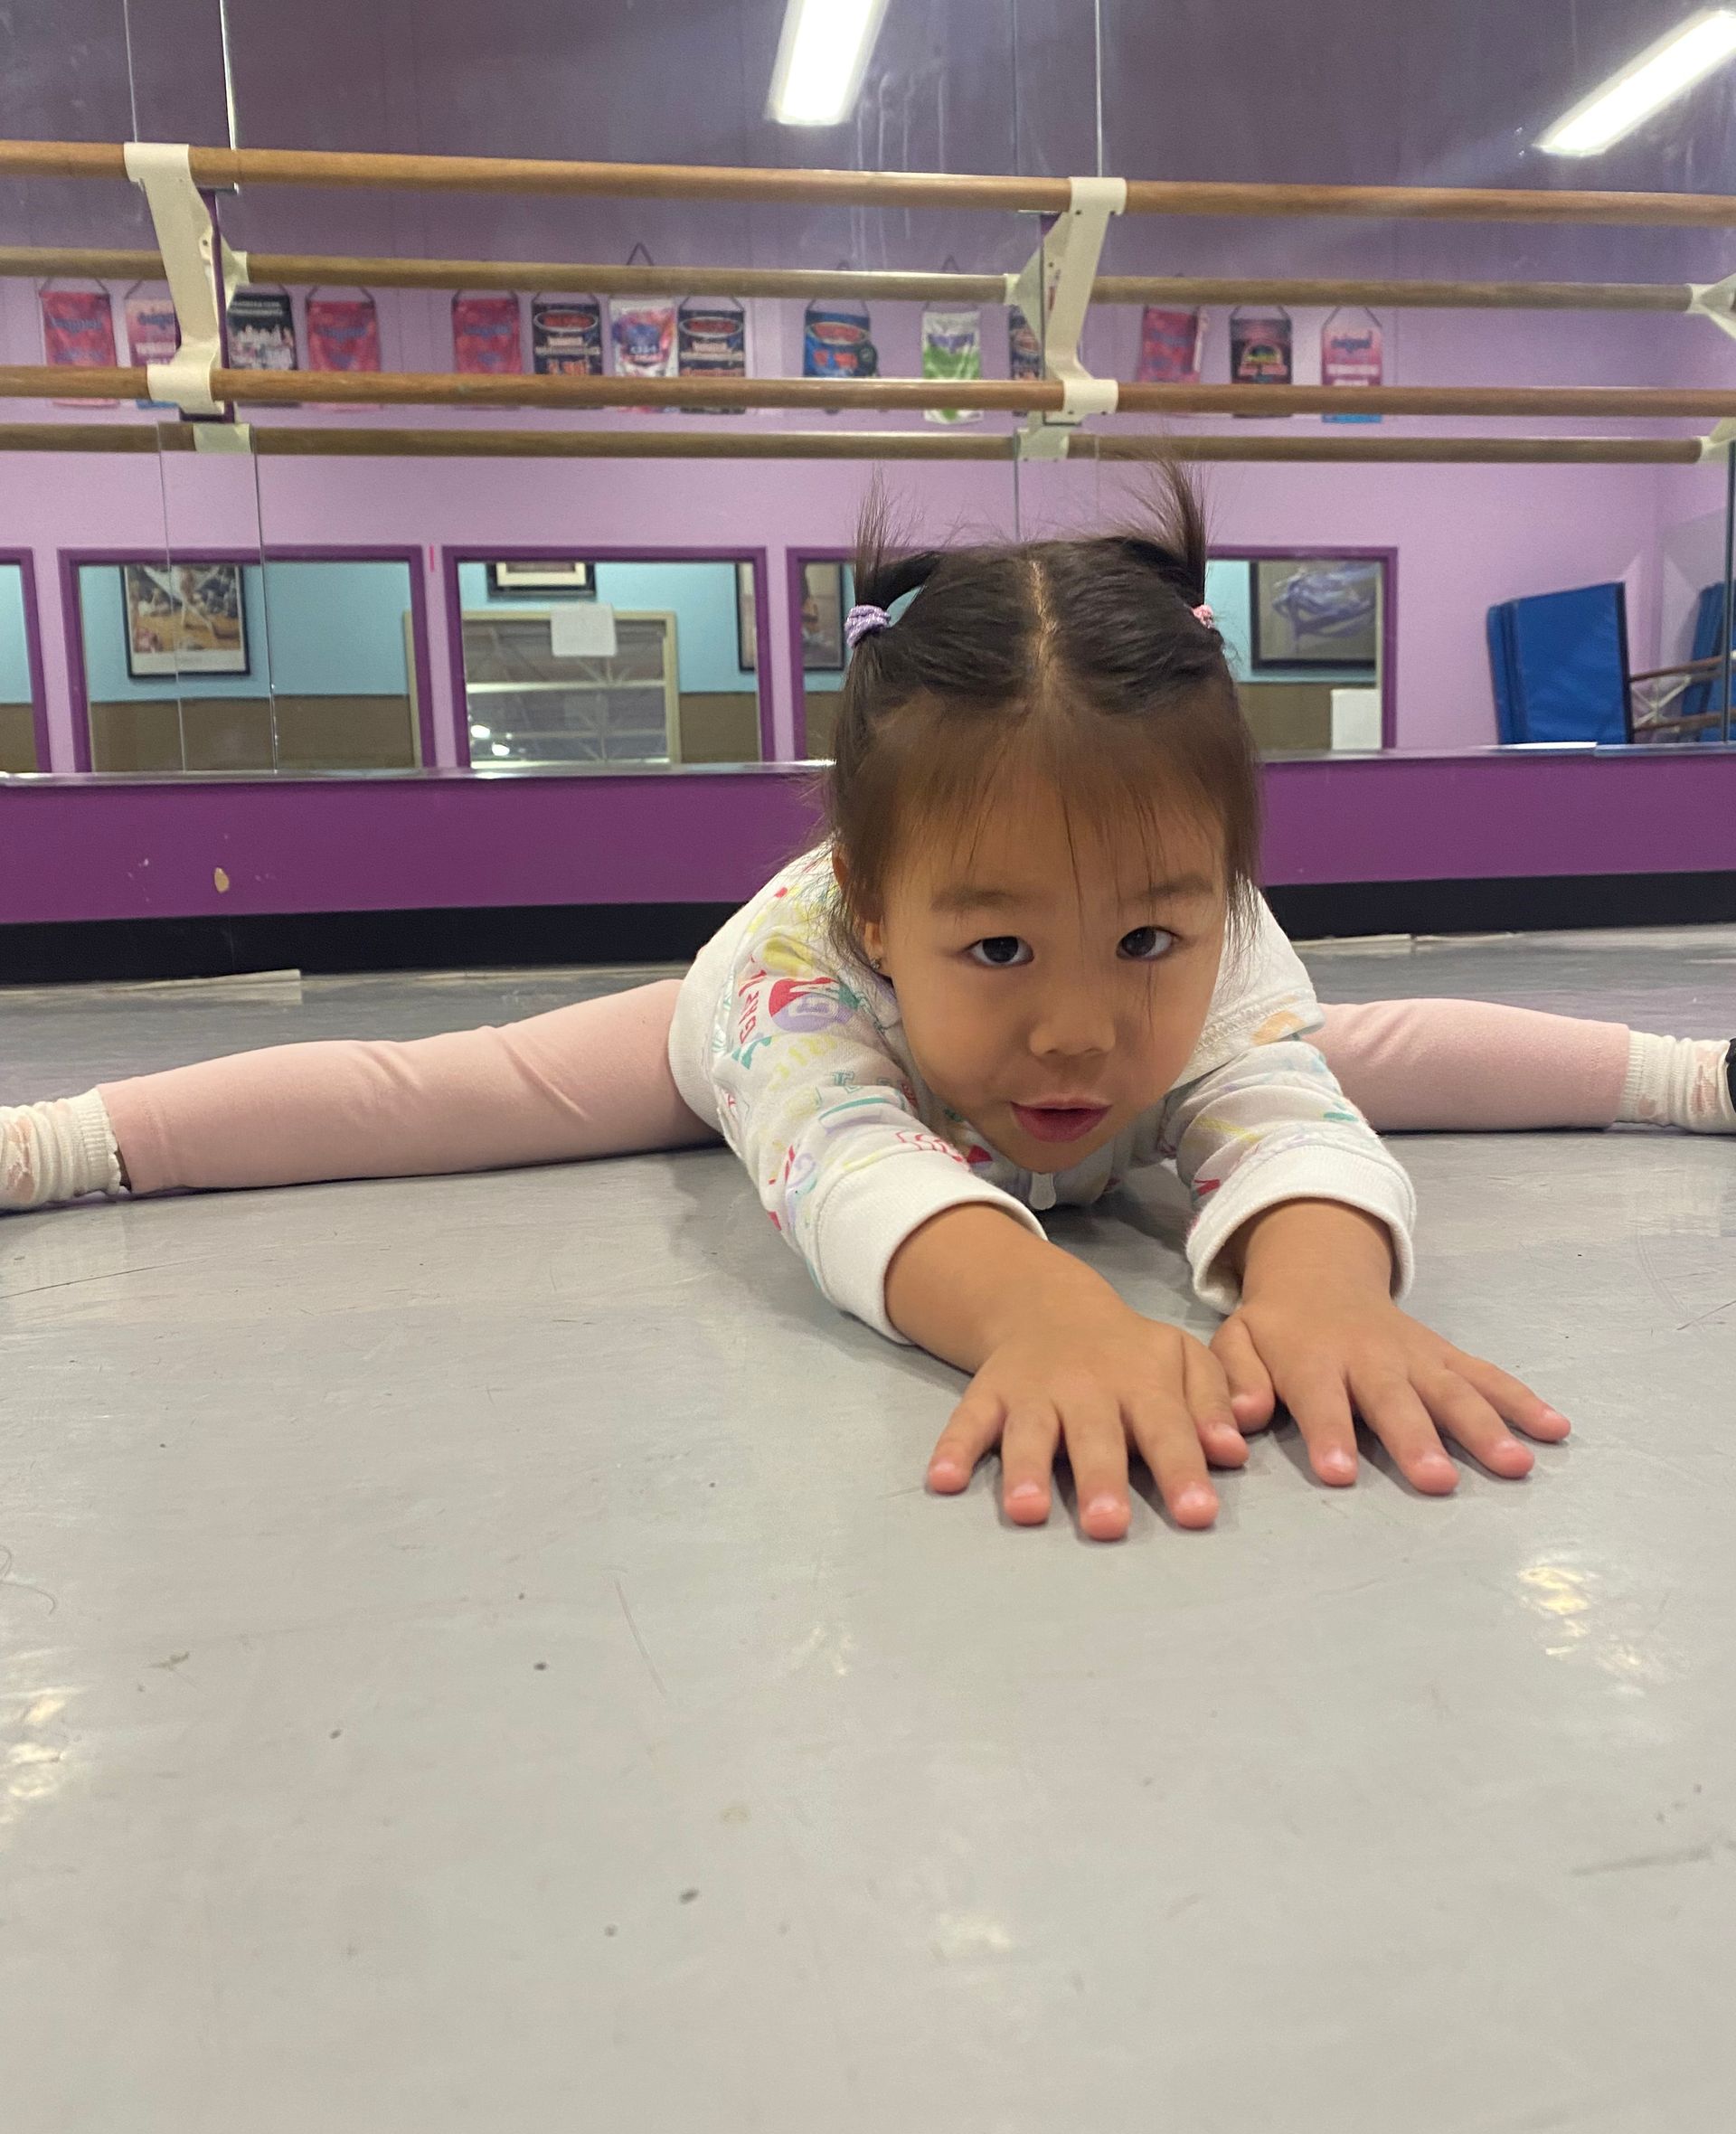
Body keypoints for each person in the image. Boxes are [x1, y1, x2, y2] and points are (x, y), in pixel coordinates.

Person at [4, 474, 1731, 1541]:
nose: (1073, 1032)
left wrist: (1328, 1285)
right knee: (452, 1089)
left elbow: (1300, 1112)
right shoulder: (799, 971)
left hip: (1144, 1021)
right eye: (999, 952)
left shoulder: (1216, 951)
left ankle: (1690, 1073)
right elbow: (850, 1164)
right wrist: (1036, 1309)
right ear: (882, 906)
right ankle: (59, 1144)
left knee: (1377, 1056)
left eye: (1147, 940)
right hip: (765, 1044)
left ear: (1220, 894)